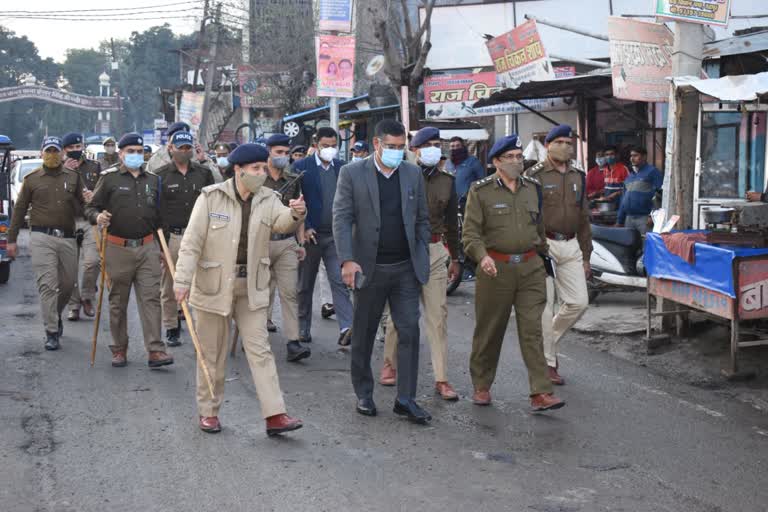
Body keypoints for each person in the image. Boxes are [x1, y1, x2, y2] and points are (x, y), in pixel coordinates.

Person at [174, 143, 306, 436]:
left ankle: (275, 414)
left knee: (260, 351)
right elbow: (192, 242)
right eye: (256, 169)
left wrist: (297, 213)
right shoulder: (211, 198)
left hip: (252, 286)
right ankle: (209, 412)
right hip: (213, 286)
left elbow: (281, 221)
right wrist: (182, 281)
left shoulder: (268, 198)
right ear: (238, 169)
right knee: (212, 353)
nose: (262, 173)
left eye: (263, 168)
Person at [333, 119, 432, 424]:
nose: (397, 153)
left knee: (410, 332)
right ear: (376, 144)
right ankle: (364, 393)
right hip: (369, 267)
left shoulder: (412, 173)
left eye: (402, 148)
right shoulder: (352, 173)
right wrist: (347, 260)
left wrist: (421, 249)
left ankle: (406, 398)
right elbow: (341, 217)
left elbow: (422, 219)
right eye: (391, 147)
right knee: (363, 332)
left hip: (404, 268)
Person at [463, 134, 565, 411]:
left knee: (533, 330)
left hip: (530, 267)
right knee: (490, 330)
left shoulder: (532, 187)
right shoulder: (480, 190)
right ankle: (482, 386)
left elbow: (539, 227)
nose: (517, 162)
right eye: (510, 157)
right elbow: (470, 234)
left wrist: (545, 254)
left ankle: (540, 392)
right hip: (496, 268)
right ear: (496, 161)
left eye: (520, 157)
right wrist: (482, 258)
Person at [378, 127, 460, 401]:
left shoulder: (447, 181)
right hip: (404, 249)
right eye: (430, 144)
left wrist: (456, 258)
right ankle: (390, 363)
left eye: (439, 144)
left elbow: (451, 224)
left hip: (435, 250)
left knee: (438, 316)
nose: (436, 149)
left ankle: (442, 378)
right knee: (399, 315)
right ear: (415, 149)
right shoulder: (399, 174)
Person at [86, 132, 174, 369]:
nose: (135, 155)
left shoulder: (153, 180)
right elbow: (91, 207)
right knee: (118, 301)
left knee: (151, 299)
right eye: (130, 151)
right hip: (117, 247)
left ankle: (155, 350)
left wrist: (163, 249)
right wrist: (98, 216)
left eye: (139, 151)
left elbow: (160, 217)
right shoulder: (109, 178)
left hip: (147, 247)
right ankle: (119, 348)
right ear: (121, 153)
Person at [7, 136, 88, 351]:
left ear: (62, 153)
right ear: (42, 153)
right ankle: (51, 331)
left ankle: (56, 315)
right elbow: (19, 211)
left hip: (69, 237)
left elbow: (83, 206)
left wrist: (93, 209)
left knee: (69, 284)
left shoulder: (73, 177)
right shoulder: (32, 179)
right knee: (47, 285)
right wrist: (12, 240)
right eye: (48, 151)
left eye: (55, 150)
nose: (52, 154)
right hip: (42, 237)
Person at [526, 125, 591, 386]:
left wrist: (587, 255)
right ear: (549, 144)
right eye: (560, 142)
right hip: (545, 246)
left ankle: (545, 345)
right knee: (546, 307)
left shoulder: (579, 176)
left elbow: (584, 217)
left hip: (571, 245)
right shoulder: (534, 174)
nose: (566, 146)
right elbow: (529, 216)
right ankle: (549, 363)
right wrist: (535, 248)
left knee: (578, 303)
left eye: (569, 142)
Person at [294, 127, 353, 346]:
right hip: (310, 237)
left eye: (333, 146)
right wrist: (305, 226)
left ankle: (347, 327)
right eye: (325, 146)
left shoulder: (343, 168)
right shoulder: (302, 167)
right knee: (304, 284)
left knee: (339, 281)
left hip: (335, 236)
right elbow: (295, 201)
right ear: (316, 145)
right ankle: (302, 327)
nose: (329, 150)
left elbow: (349, 201)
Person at [155, 131, 215, 347]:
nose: (184, 151)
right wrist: (160, 245)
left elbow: (213, 203)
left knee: (202, 282)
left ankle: (202, 325)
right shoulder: (160, 175)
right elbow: (156, 211)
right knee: (170, 284)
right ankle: (171, 327)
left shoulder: (203, 173)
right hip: (173, 237)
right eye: (180, 147)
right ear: (170, 148)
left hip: (200, 236)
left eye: (187, 147)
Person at [263, 134, 310, 362]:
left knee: (290, 293)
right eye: (278, 152)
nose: (283, 156)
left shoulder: (293, 178)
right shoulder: (256, 178)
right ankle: (256, 337)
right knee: (259, 293)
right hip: (260, 242)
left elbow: (299, 213)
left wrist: (300, 243)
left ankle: (293, 342)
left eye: (285, 152)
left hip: (286, 243)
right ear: (268, 151)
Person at [60, 132, 102, 322]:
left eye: (79, 147)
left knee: (92, 262)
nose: (76, 151)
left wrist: (94, 196)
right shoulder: (57, 169)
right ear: (64, 150)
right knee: (69, 269)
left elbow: (103, 191)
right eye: (72, 148)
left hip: (88, 220)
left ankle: (87, 296)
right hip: (66, 221)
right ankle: (73, 305)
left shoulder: (94, 166)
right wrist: (65, 171)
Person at [146, 122, 222, 182]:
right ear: (169, 140)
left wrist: (203, 161)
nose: (183, 150)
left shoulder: (198, 155)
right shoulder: (157, 159)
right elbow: (147, 186)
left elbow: (218, 181)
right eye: (179, 145)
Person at [616, 146, 663, 235]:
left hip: (644, 218)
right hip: (629, 218)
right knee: (629, 247)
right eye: (631, 156)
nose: (632, 158)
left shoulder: (652, 172)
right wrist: (619, 220)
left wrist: (653, 216)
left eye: (635, 155)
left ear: (644, 157)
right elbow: (623, 199)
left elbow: (660, 194)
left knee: (644, 245)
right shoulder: (630, 176)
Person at [445, 136, 485, 206]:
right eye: (452, 146)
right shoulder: (447, 163)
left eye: (458, 145)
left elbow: (482, 180)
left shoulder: (473, 161)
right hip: (451, 203)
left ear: (463, 146)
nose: (455, 148)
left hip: (469, 202)